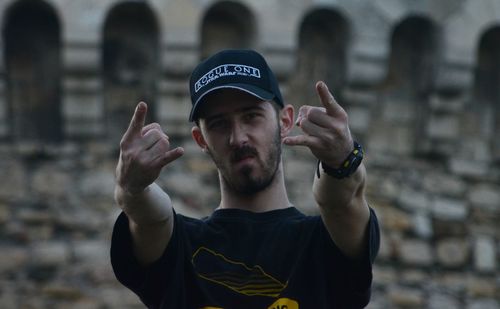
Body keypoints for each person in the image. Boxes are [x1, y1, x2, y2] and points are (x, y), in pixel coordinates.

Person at [111, 49, 380, 309]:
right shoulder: (180, 249)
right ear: (201, 140)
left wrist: (343, 161)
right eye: (219, 123)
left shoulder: (324, 244)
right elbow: (150, 217)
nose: (237, 138)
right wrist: (132, 188)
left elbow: (341, 201)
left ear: (285, 121)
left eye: (251, 116)